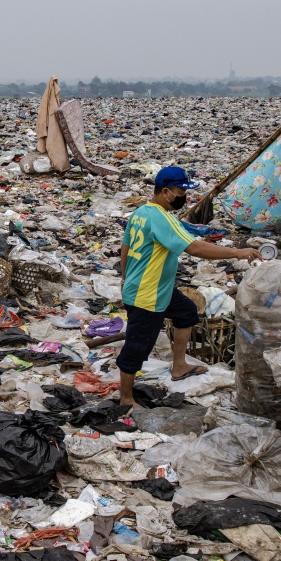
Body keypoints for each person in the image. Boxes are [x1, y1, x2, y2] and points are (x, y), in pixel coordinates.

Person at [117, 166, 261, 408]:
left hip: (154, 288)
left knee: (186, 312)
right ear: (165, 192)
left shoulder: (141, 213)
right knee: (137, 347)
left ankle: (179, 365)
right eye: (180, 191)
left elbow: (125, 247)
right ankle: (126, 399)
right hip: (147, 294)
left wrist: (125, 277)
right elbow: (194, 248)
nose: (184, 197)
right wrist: (237, 252)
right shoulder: (162, 218)